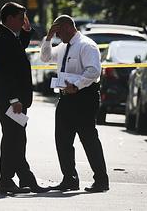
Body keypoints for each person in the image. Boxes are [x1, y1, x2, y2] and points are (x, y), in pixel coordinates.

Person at [40, 15, 109, 193]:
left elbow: (93, 71)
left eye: (59, 30)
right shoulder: (63, 46)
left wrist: (77, 86)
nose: (58, 34)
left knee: (88, 139)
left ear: (69, 27)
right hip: (66, 97)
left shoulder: (86, 45)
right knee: (62, 139)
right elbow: (45, 58)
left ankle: (101, 180)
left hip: (84, 97)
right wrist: (48, 38)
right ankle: (69, 178)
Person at [0, 2, 49, 195]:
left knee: (16, 138)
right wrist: (14, 99)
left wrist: (26, 31)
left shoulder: (9, 36)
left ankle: (19, 180)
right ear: (9, 18)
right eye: (20, 18)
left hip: (14, 100)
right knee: (13, 139)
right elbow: (5, 71)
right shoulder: (1, 38)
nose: (23, 21)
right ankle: (14, 180)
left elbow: (18, 49)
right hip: (10, 100)